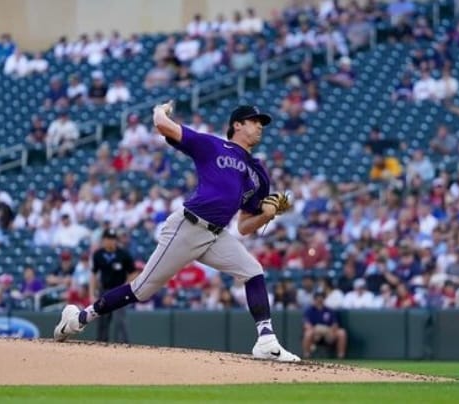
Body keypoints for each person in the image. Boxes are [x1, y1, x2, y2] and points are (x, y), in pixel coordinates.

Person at [54, 102, 301, 362]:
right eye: (254, 121)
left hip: (216, 235)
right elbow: (163, 125)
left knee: (253, 271)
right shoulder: (213, 145)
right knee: (141, 290)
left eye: (261, 122)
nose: (260, 126)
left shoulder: (259, 173)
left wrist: (266, 215)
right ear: (237, 125)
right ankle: (79, 318)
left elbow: (243, 226)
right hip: (188, 226)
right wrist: (160, 110)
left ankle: (266, 340)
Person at [91, 229, 137, 343]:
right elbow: (93, 274)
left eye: (112, 239)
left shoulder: (123, 254)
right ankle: (101, 344)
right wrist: (92, 293)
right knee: (102, 320)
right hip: (104, 290)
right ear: (103, 240)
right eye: (108, 239)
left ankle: (124, 345)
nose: (110, 241)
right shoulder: (98, 254)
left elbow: (133, 273)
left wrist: (125, 286)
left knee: (120, 320)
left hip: (119, 291)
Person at [302, 292, 347, 359]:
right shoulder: (309, 310)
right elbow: (306, 324)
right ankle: (306, 355)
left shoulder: (329, 310)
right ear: (314, 300)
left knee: (342, 333)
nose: (319, 302)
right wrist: (314, 331)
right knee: (308, 333)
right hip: (315, 332)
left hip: (328, 331)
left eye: (321, 300)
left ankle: (341, 356)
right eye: (318, 300)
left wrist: (331, 331)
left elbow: (335, 324)